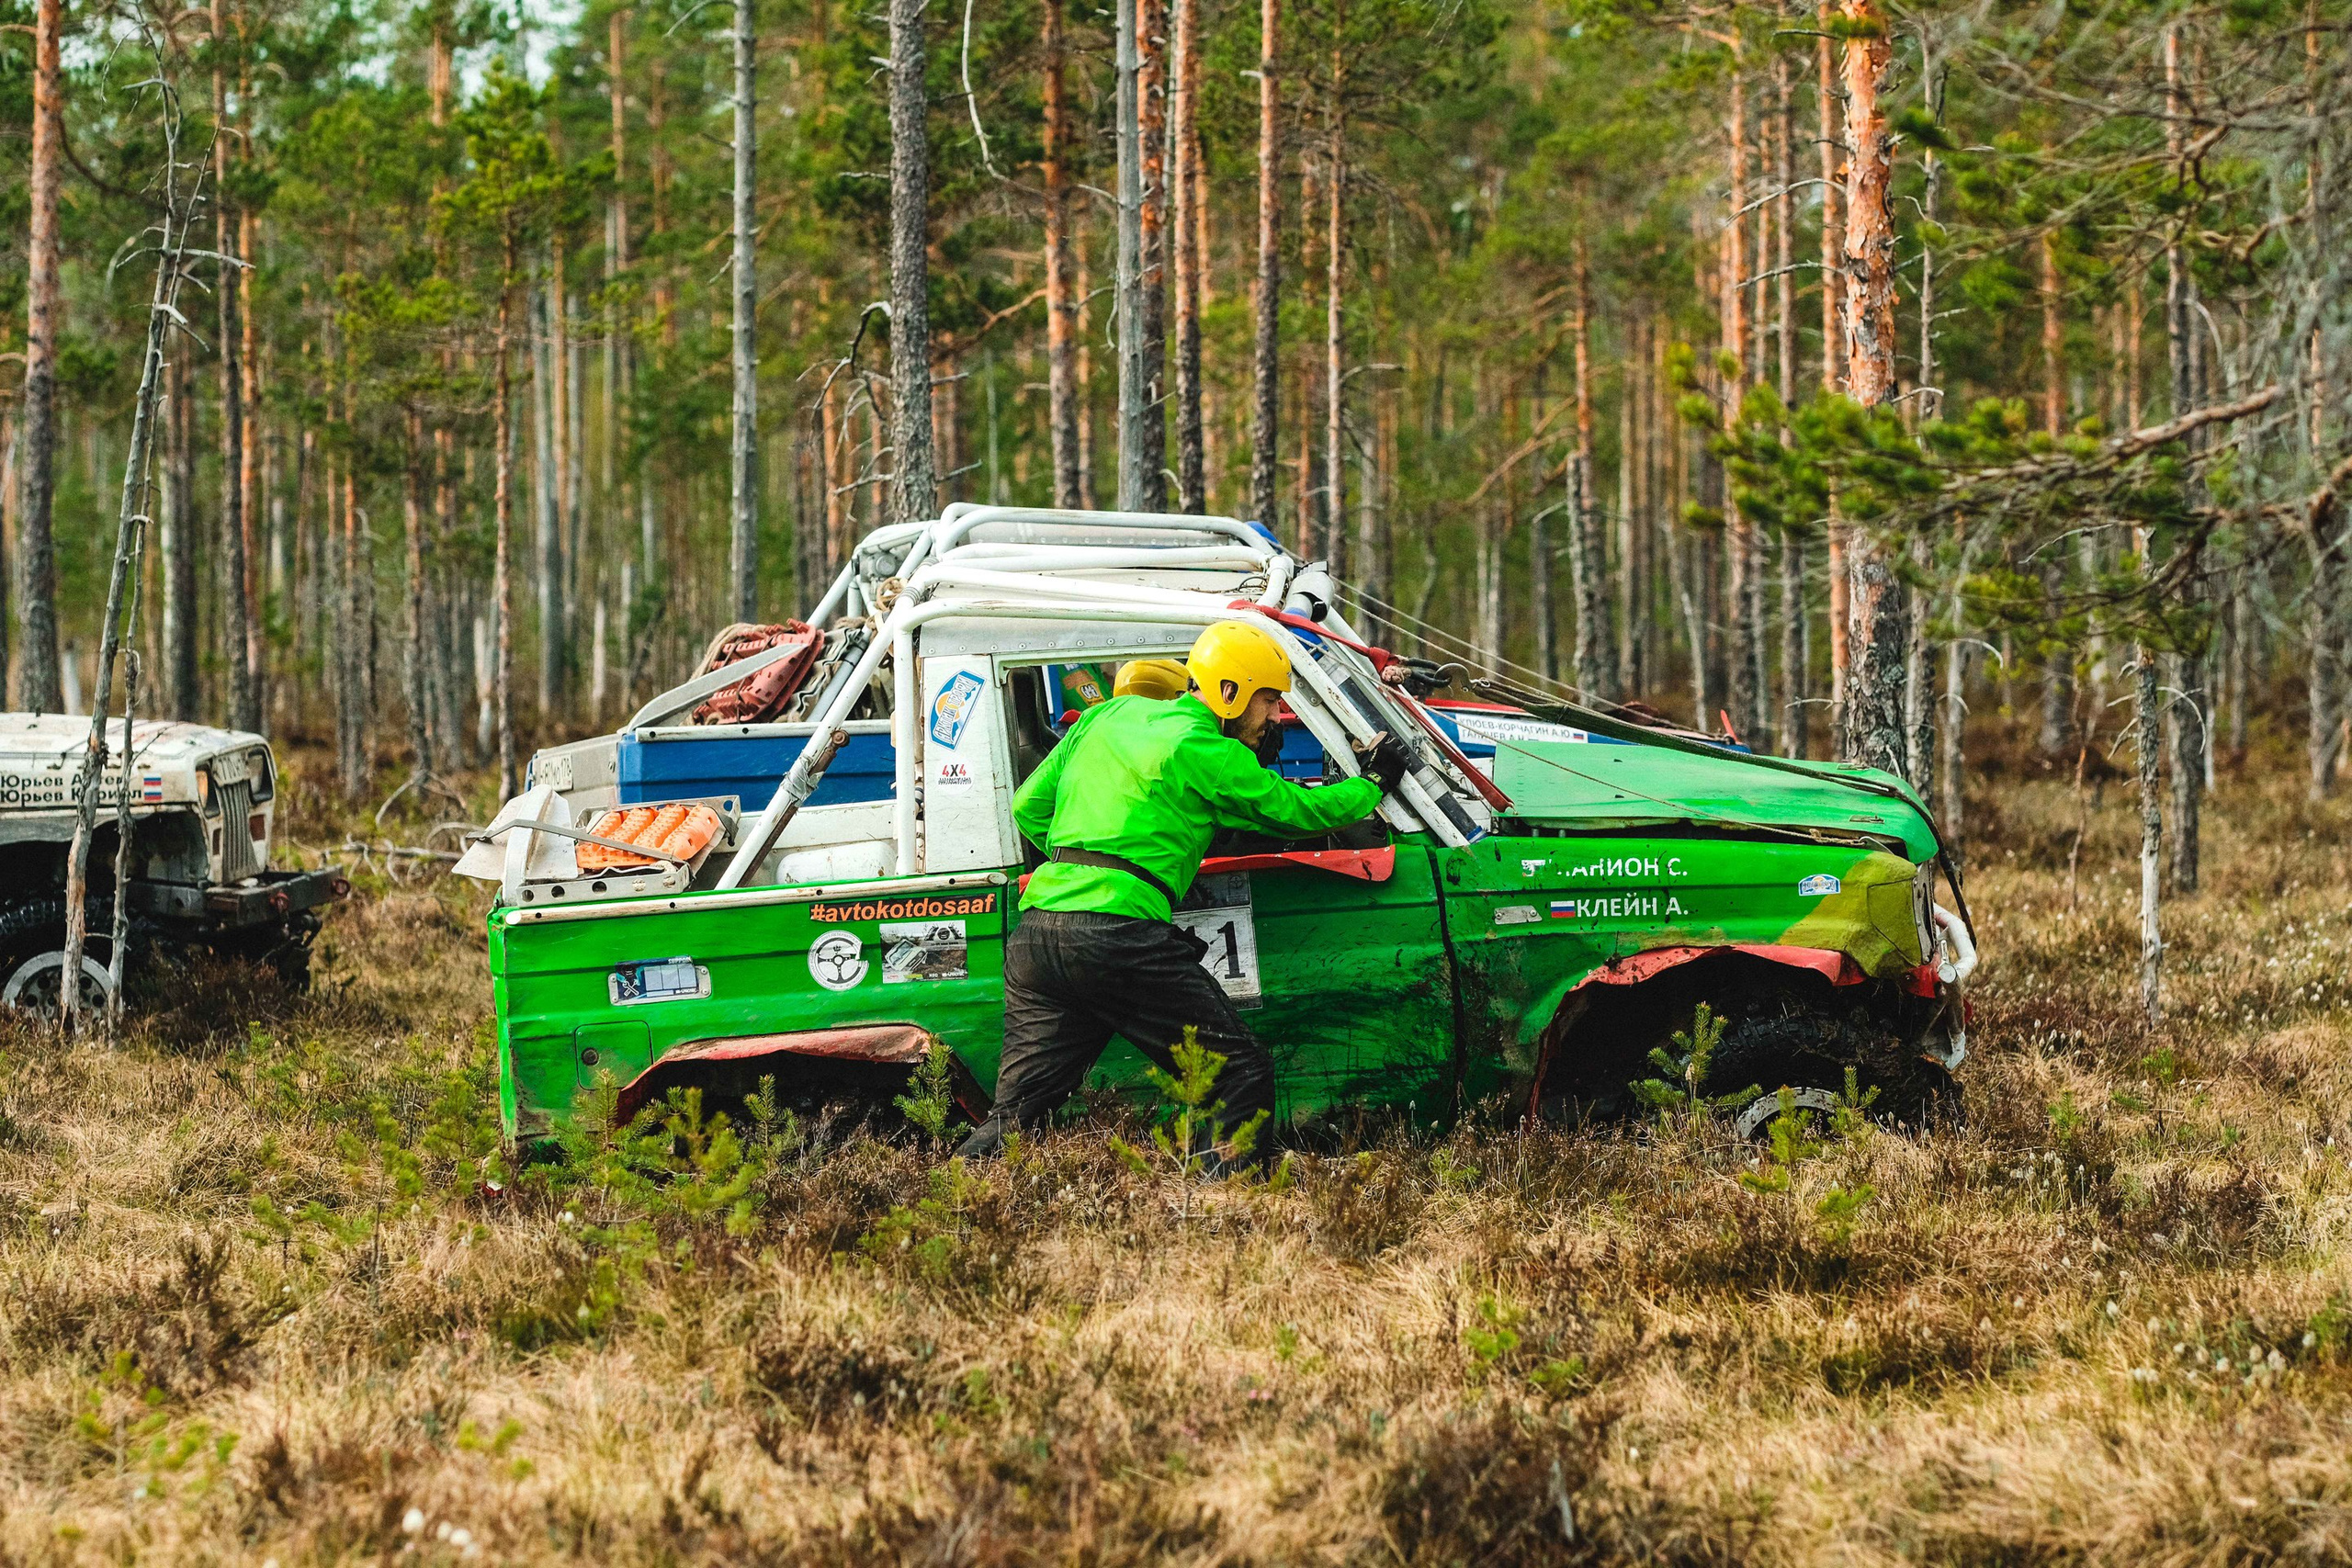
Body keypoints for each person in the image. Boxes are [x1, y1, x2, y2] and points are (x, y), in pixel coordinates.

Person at [955, 619, 1412, 1166]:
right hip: (1117, 937)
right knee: (1236, 1072)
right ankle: (1227, 1212)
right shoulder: (1207, 751)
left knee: (1020, 1110)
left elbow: (1027, 806)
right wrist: (1374, 783)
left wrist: (1082, 862)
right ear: (1229, 691)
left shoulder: (1107, 715)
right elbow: (1299, 813)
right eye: (1268, 699)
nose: (1274, 715)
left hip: (1040, 933)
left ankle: (960, 1193)